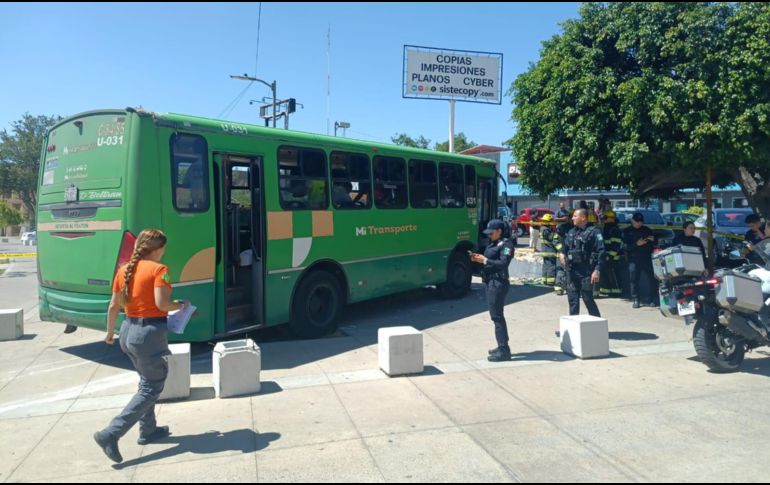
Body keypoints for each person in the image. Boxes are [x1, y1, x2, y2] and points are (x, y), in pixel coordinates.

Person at [94, 229, 189, 464]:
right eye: (163, 248)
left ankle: (148, 430)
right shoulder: (160, 270)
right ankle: (110, 433)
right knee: (152, 386)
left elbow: (114, 305)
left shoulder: (123, 270)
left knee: (145, 382)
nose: (164, 252)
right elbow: (162, 304)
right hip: (148, 335)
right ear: (157, 249)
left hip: (127, 331)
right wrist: (182, 304)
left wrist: (109, 333)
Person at [471, 220, 515, 362]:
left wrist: (484, 261)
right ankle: (501, 346)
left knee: (497, 317)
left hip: (498, 283)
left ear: (499, 231)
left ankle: (504, 350)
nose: (489, 235)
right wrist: (478, 259)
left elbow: (503, 263)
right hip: (491, 282)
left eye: (491, 233)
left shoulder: (506, 244)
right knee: (496, 316)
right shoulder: (494, 244)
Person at [560, 209, 604, 317]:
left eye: (575, 216)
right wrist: (561, 254)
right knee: (572, 299)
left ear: (583, 218)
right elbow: (564, 247)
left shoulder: (594, 232)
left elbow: (601, 252)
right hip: (572, 271)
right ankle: (574, 327)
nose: (572, 218)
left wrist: (597, 270)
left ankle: (597, 324)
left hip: (587, 272)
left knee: (588, 299)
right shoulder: (571, 232)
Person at [623, 213, 657, 308]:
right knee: (634, 280)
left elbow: (655, 242)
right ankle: (635, 299)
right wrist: (637, 244)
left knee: (652, 279)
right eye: (637, 222)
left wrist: (653, 239)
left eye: (641, 222)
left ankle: (651, 299)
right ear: (632, 221)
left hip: (647, 258)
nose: (639, 224)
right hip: (634, 259)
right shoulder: (627, 231)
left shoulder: (647, 230)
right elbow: (624, 247)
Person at [599, 210, 623, 298]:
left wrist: (610, 256)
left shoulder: (614, 229)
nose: (603, 220)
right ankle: (607, 291)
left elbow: (616, 244)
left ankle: (617, 292)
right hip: (606, 256)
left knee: (614, 274)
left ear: (611, 219)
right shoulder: (606, 227)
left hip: (613, 257)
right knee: (606, 274)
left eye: (605, 218)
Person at [553, 208, 575, 296]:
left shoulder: (575, 228)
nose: (572, 219)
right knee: (561, 270)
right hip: (562, 253)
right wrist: (562, 251)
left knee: (570, 271)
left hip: (572, 254)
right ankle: (559, 288)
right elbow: (555, 240)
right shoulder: (562, 227)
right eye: (571, 217)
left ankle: (568, 287)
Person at [540, 213, 558, 286]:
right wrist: (556, 234)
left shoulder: (542, 228)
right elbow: (551, 238)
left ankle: (545, 280)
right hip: (549, 251)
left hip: (544, 250)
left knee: (546, 265)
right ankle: (550, 281)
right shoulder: (546, 230)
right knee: (551, 266)